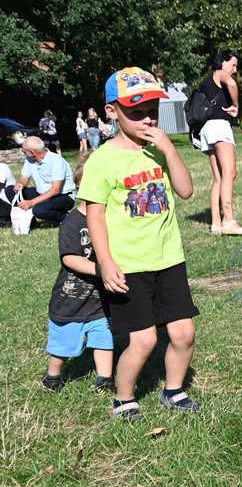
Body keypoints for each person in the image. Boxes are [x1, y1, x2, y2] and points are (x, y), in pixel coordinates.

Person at [78, 67, 200, 421]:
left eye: (152, 109)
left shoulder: (158, 150)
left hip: (169, 258)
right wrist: (105, 261)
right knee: (144, 340)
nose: (147, 118)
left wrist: (166, 147)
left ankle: (173, 390)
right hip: (129, 264)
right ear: (111, 111)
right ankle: (124, 398)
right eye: (135, 111)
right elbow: (94, 215)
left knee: (184, 333)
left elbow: (187, 190)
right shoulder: (102, 160)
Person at [42, 153, 114, 392]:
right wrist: (101, 268)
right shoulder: (72, 221)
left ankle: (104, 380)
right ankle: (53, 375)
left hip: (100, 301)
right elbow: (70, 258)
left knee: (105, 337)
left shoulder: (112, 218)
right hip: (70, 301)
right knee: (63, 343)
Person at [194, 50, 242, 235]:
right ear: (222, 62)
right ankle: (229, 220)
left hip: (207, 129)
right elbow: (232, 83)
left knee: (219, 177)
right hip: (219, 126)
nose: (234, 70)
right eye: (233, 65)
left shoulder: (208, 79)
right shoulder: (221, 73)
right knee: (230, 172)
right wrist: (236, 105)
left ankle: (216, 223)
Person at [3, 135, 76, 224]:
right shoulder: (29, 160)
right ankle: (29, 221)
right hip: (41, 193)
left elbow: (56, 190)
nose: (23, 153)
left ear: (32, 152)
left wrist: (32, 202)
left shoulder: (57, 161)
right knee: (10, 190)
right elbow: (24, 179)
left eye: (24, 151)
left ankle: (66, 218)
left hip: (63, 196)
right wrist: (20, 184)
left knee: (39, 210)